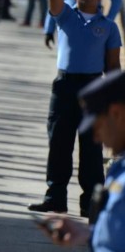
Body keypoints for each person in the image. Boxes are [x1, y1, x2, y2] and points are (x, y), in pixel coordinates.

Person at [28, 0, 121, 218]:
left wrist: (115, 99)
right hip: (65, 85)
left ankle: (90, 203)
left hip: (93, 87)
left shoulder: (108, 27)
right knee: (59, 142)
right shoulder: (66, 15)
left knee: (92, 147)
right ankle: (55, 196)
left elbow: (113, 65)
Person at [36, 69, 125, 251]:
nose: (96, 137)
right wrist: (88, 233)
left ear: (116, 114)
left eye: (98, 124)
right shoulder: (118, 169)